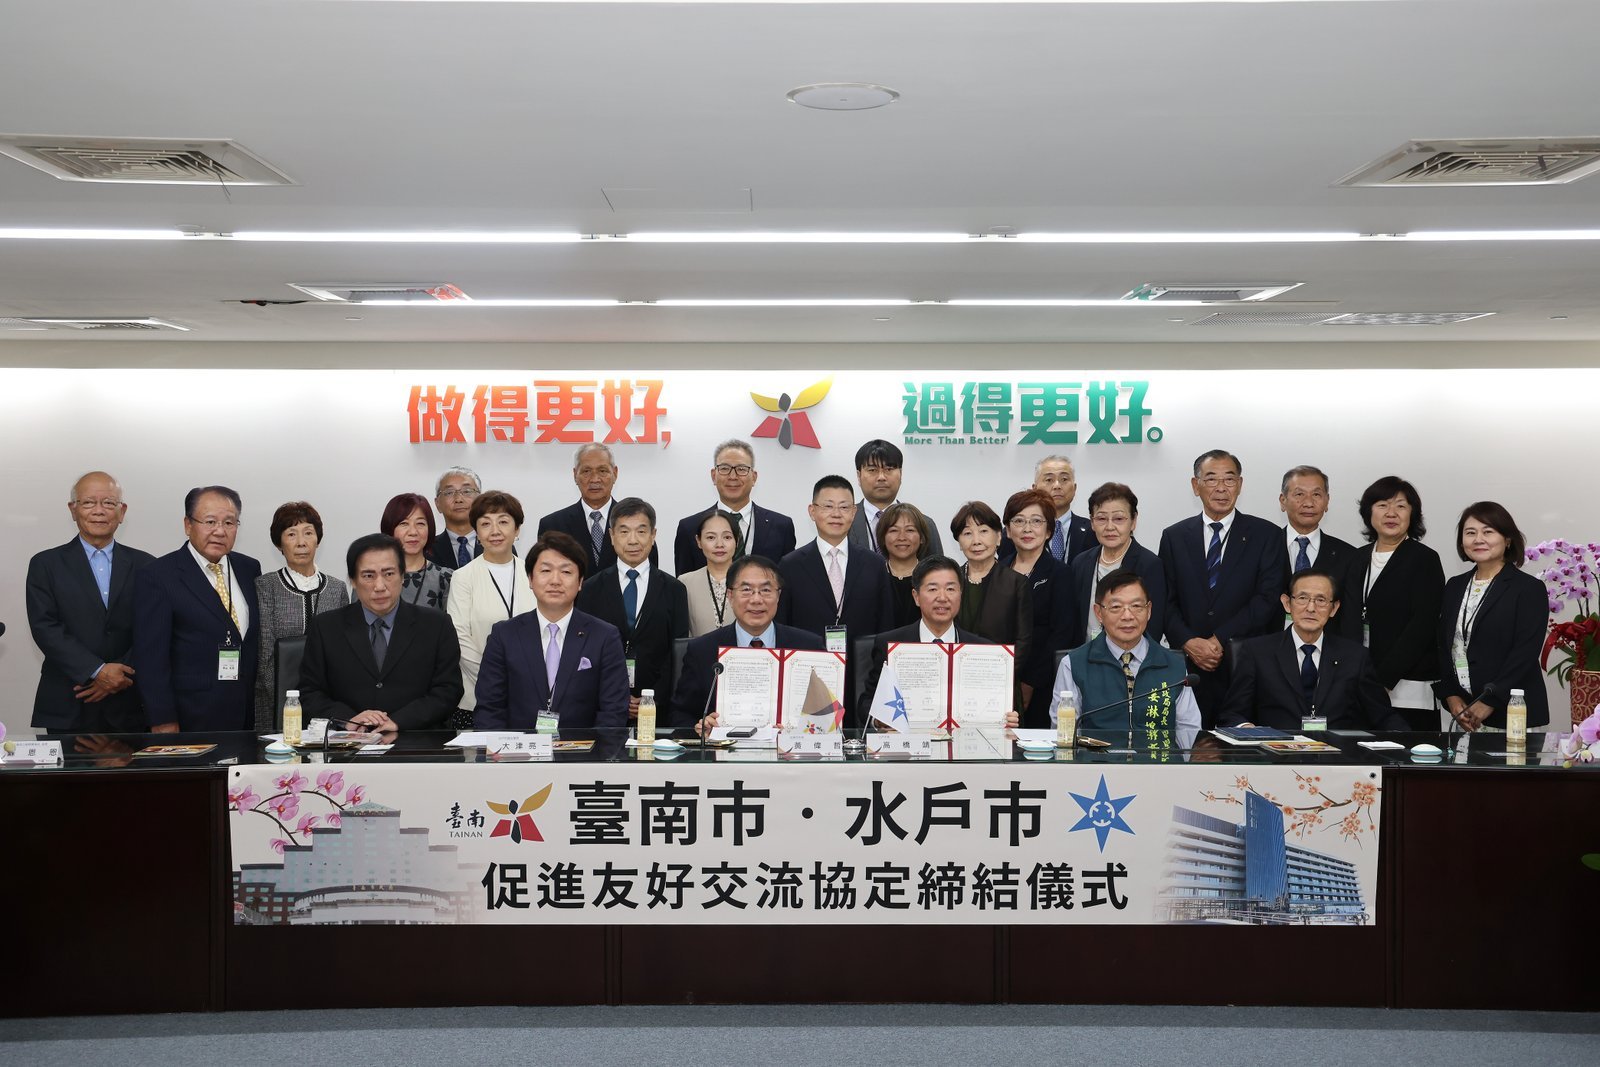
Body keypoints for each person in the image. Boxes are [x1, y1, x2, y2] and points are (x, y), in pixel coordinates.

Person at [1159, 450, 1287, 728]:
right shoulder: (1174, 536)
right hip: (1189, 668)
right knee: (1190, 744)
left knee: (1244, 746)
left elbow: (1267, 599)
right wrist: (1188, 642)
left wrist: (1219, 639)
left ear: (1240, 485)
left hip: (1245, 665)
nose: (1221, 488)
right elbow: (1164, 599)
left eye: (1229, 479)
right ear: (1196, 486)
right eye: (1211, 479)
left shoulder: (1266, 535)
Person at [25, 471, 155, 732]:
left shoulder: (147, 566)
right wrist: (97, 671)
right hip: (69, 699)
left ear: (122, 511)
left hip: (130, 702)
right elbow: (45, 627)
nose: (99, 511)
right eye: (88, 503)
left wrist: (119, 674)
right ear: (73, 510)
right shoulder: (45, 564)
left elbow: (153, 629)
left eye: (108, 503)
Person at [298, 534, 463, 732]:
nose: (379, 586)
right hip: (348, 742)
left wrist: (398, 721)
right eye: (368, 576)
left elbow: (448, 690)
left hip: (416, 739)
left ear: (403, 576)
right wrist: (348, 719)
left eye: (389, 574)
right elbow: (309, 692)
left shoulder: (436, 625)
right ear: (353, 580)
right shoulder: (326, 627)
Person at [132, 485, 261, 732]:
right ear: (188, 525)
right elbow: (151, 659)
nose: (220, 531)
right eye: (210, 521)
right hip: (190, 716)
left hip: (244, 715)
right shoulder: (158, 576)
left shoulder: (249, 568)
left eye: (229, 523)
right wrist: (162, 720)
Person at [475, 531, 631, 731]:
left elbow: (613, 711)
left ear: (580, 582)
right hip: (519, 748)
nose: (555, 580)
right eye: (546, 570)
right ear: (530, 579)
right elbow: (489, 708)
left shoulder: (604, 636)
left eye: (566, 572)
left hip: (584, 748)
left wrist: (596, 750)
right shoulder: (504, 635)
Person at [1217, 569, 1403, 732]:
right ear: (1287, 603)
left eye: (1321, 600)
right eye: (1302, 598)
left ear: (1334, 608)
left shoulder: (1355, 656)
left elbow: (1383, 716)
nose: (1311, 608)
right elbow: (1231, 715)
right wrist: (1249, 730)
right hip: (1275, 753)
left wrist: (1412, 746)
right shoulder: (1256, 652)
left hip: (1337, 755)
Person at [860, 555, 1021, 730]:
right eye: (933, 589)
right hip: (909, 743)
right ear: (916, 596)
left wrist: (1006, 718)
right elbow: (867, 702)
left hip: (965, 744)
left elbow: (996, 706)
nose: (942, 597)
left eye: (950, 589)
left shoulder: (985, 651)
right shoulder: (889, 644)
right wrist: (879, 720)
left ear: (961, 594)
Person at [1338, 475, 1445, 730]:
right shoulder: (1356, 558)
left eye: (1400, 506)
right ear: (1369, 513)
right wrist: (1354, 674)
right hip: (1359, 685)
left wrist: (1383, 680)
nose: (1391, 513)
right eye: (1382, 505)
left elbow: (1423, 625)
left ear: (1412, 514)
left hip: (1408, 687)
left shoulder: (1425, 559)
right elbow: (1347, 618)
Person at [1049, 569, 1200, 749]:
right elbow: (1064, 733)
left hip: (1158, 764)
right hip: (1096, 764)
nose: (1127, 616)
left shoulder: (1173, 666)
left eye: (1136, 606)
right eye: (1116, 607)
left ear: (1149, 610)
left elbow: (1189, 732)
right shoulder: (1073, 664)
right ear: (1098, 613)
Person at [671, 555, 826, 729]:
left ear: (778, 596)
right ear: (730, 596)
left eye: (766, 590)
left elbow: (827, 715)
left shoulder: (809, 648)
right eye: (746, 590)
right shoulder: (702, 650)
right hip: (724, 747)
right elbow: (680, 715)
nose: (756, 600)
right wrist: (701, 727)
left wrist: (800, 731)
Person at [1434, 502, 1550, 732]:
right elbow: (1442, 645)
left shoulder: (1528, 588)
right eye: (1470, 533)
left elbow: (1525, 653)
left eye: (1488, 532)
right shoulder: (1454, 586)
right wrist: (1450, 695)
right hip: (1463, 712)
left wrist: (1490, 700)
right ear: (1462, 542)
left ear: (1507, 540)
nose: (1478, 539)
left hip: (1512, 712)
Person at [575, 497, 689, 718]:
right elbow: (585, 650)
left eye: (641, 531)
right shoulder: (591, 588)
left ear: (653, 535)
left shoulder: (674, 589)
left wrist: (653, 697)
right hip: (604, 707)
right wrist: (613, 696)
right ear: (612, 536)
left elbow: (677, 651)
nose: (633, 540)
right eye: (624, 531)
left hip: (659, 709)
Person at [252, 501, 349, 731]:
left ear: (318, 539)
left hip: (328, 704)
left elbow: (344, 653)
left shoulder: (337, 588)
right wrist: (285, 701)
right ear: (279, 543)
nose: (301, 542)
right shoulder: (266, 586)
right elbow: (265, 654)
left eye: (308, 533)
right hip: (275, 702)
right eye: (291, 534)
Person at [446, 490, 533, 727]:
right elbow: (459, 637)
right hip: (478, 698)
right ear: (476, 531)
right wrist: (496, 679)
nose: (495, 531)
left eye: (503, 522)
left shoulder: (535, 573)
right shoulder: (463, 577)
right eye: (485, 524)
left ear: (517, 530)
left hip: (532, 696)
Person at [1002, 489, 1074, 727]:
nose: (1027, 529)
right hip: (998, 679)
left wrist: (1030, 682)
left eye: (1036, 521)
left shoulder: (1061, 574)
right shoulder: (998, 570)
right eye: (1018, 521)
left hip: (1042, 683)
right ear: (1007, 530)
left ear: (1049, 530)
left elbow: (1062, 633)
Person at [1066, 482, 1166, 650]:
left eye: (1119, 519)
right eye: (1101, 519)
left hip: (1131, 657)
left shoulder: (1149, 564)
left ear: (1133, 521)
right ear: (1092, 522)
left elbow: (1153, 626)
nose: (1110, 527)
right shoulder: (1081, 562)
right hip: (1086, 655)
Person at [673, 439, 796, 575]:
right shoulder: (689, 528)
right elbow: (684, 584)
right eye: (725, 469)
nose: (732, 476)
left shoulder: (781, 526)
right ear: (713, 476)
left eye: (741, 469)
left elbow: (787, 581)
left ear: (754, 477)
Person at [537, 443, 660, 574]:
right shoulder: (553, 525)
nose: (595, 479)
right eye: (586, 471)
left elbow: (649, 577)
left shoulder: (637, 523)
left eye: (602, 471)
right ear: (575, 475)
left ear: (615, 473)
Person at [951, 501, 1032, 671]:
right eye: (967, 533)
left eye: (983, 531)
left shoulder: (1016, 583)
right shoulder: (950, 581)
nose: (976, 541)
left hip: (1000, 676)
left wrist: (1000, 675)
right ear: (959, 542)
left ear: (999, 537)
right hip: (955, 674)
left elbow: (1023, 641)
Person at [848, 439, 944, 556]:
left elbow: (938, 566)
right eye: (872, 470)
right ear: (859, 476)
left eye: (889, 469)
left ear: (901, 474)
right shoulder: (843, 521)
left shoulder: (925, 524)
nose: (881, 477)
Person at [1279, 465, 1358, 596]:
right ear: (1283, 501)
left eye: (1316, 494)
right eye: (1299, 494)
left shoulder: (1349, 556)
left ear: (1327, 501)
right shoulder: (1263, 547)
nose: (1309, 503)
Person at [1003, 455, 1095, 565]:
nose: (1057, 486)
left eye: (1064, 479)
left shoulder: (1093, 530)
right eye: (1049, 480)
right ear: (1035, 488)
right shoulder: (1015, 531)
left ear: (1074, 488)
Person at [380, 492, 453, 612]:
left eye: (420, 523)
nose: (413, 532)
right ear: (389, 528)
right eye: (404, 524)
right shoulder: (370, 577)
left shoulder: (447, 578)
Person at [679, 510, 739, 637]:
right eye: (711, 537)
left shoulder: (752, 581)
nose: (719, 544)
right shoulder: (685, 582)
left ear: (737, 540)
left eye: (727, 537)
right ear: (699, 541)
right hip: (697, 649)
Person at [876, 502, 935, 628]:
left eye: (910, 530)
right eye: (893, 530)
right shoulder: (873, 578)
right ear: (883, 538)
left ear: (922, 538)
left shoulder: (933, 579)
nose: (902, 537)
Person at [426, 466, 483, 570]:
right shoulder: (426, 549)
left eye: (467, 491)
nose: (458, 499)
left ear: (480, 499)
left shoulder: (498, 544)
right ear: (438, 504)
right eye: (449, 492)